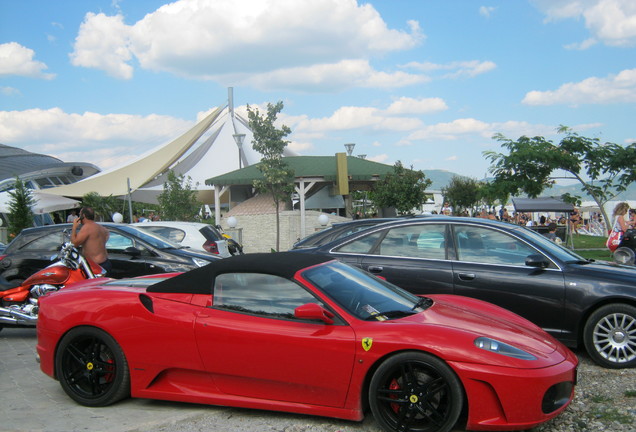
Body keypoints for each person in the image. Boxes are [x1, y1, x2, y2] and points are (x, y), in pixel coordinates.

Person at [71, 207, 112, 274]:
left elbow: (74, 244)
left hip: (96, 266)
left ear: (83, 215)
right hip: (105, 262)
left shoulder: (87, 227)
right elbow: (107, 234)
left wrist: (74, 227)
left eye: (79, 214)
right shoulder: (100, 227)